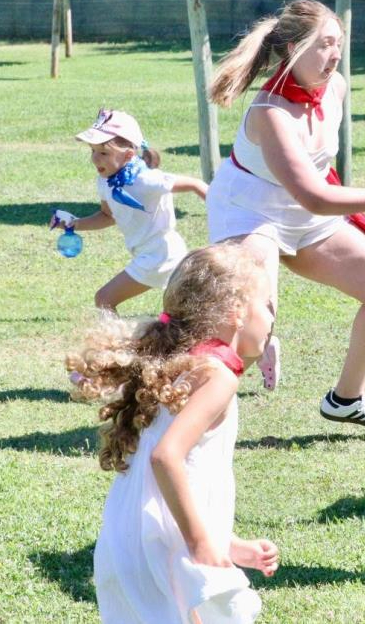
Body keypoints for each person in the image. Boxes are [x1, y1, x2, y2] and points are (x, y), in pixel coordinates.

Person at [205, 0, 365, 417]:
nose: (334, 56)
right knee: (252, 330)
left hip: (306, 215)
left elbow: (315, 186)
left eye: (339, 44)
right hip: (249, 210)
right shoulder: (270, 112)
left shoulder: (339, 87)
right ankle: (188, 413)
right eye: (324, 44)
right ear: (293, 49)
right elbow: (316, 195)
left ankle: (346, 399)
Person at [71, 243, 279, 623]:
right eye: (266, 304)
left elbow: (166, 489)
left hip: (132, 540)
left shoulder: (177, 368)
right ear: (236, 312)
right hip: (164, 549)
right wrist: (202, 544)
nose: (271, 316)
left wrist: (229, 546)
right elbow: (165, 458)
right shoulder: (216, 377)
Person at [50, 108, 207, 312]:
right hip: (149, 252)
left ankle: (111, 342)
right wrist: (75, 223)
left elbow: (195, 184)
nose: (95, 159)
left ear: (129, 155)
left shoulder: (146, 179)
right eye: (93, 151)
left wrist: (220, 207)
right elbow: (108, 216)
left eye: (104, 153)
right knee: (181, 311)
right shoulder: (105, 181)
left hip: (160, 252)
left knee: (104, 299)